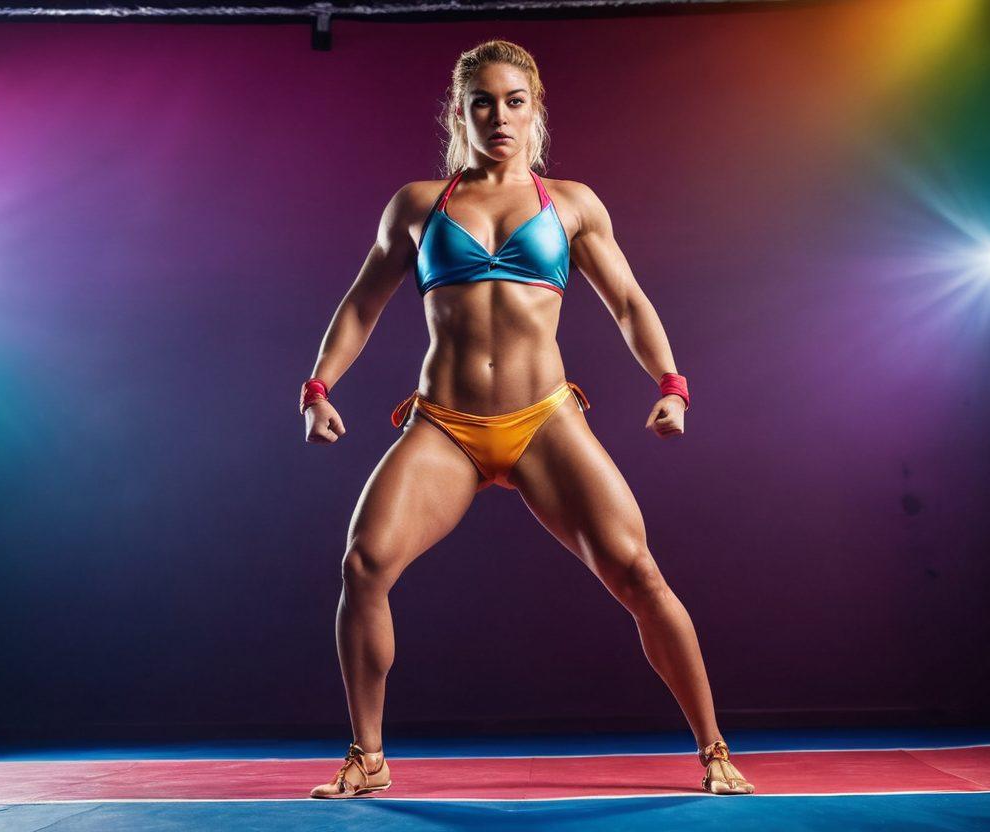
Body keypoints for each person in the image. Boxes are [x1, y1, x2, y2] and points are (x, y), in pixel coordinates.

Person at [301, 39, 754, 798]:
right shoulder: (418, 204)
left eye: (515, 100)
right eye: (483, 101)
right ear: (461, 112)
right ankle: (368, 757)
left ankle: (713, 750)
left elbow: (630, 304)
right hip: (446, 424)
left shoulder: (572, 204)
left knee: (638, 572)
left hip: (544, 421)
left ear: (534, 108)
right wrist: (318, 389)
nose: (499, 115)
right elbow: (361, 304)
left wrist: (672, 384)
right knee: (363, 566)